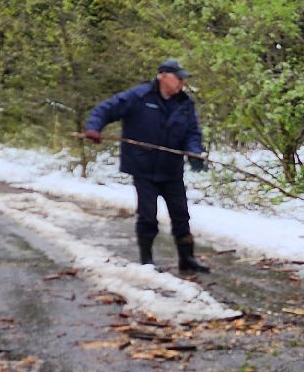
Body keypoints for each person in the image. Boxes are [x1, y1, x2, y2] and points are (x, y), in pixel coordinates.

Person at [83, 58, 209, 272]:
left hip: (172, 169)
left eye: (183, 79)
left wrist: (194, 151)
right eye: (178, 77)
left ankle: (187, 259)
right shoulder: (139, 96)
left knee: (181, 215)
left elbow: (192, 132)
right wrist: (94, 128)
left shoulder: (185, 104)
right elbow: (105, 109)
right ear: (162, 75)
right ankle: (147, 261)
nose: (181, 82)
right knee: (148, 216)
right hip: (144, 168)